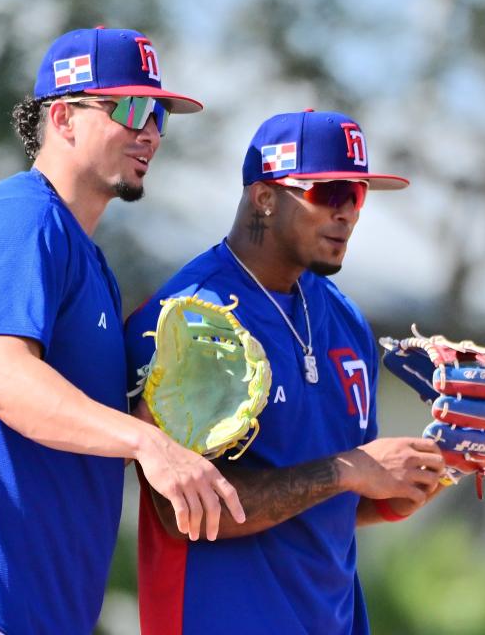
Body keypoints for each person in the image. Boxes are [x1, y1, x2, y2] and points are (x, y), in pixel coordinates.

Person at [0, 27, 244, 635]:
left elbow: (81, 436)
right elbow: (4, 379)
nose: (150, 131)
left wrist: (162, 421)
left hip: (34, 605)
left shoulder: (91, 264)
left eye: (160, 115)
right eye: (130, 107)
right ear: (63, 117)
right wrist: (149, 445)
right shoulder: (23, 216)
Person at [125, 110, 448, 635]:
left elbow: (336, 505)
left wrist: (427, 473)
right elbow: (183, 511)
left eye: (358, 195)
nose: (347, 213)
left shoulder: (343, 317)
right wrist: (347, 468)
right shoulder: (189, 318)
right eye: (329, 192)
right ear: (265, 197)